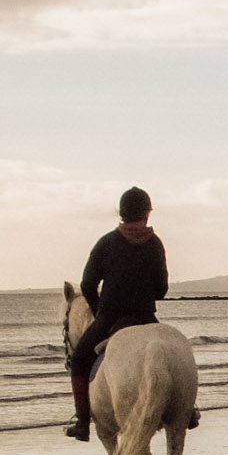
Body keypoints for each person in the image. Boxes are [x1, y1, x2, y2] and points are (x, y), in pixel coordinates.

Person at [65, 186, 196, 440]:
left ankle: (82, 421)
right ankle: (188, 409)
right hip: (145, 317)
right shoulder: (155, 244)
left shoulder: (106, 242)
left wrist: (99, 307)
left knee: (80, 360)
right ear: (146, 214)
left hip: (110, 316)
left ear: (122, 213)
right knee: (174, 352)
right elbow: (162, 288)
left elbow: (88, 285)